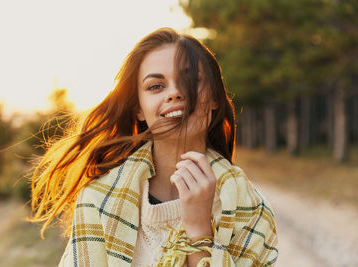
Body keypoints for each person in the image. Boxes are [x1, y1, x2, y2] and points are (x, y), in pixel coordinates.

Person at [27, 27, 278, 267]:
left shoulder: (250, 208)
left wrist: (200, 230)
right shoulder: (98, 199)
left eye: (190, 80)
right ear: (138, 109)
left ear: (214, 97)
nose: (175, 93)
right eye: (156, 86)